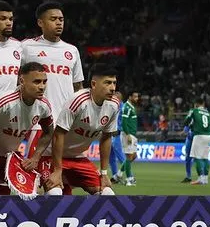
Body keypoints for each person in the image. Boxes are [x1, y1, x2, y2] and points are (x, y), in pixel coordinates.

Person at [0, 62, 53, 195]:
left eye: (44, 82)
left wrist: (35, 158)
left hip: (9, 158)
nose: (42, 87)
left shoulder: (43, 106)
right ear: (22, 81)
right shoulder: (4, 103)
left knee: (2, 199)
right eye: (37, 82)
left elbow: (49, 132)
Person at [21, 1, 85, 158]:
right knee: (32, 172)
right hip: (38, 122)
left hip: (66, 123)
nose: (58, 22)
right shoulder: (26, 47)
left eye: (61, 19)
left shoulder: (72, 50)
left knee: (63, 174)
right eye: (53, 19)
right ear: (40, 22)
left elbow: (78, 87)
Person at [47, 63, 121, 195]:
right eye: (108, 83)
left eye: (114, 83)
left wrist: (104, 173)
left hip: (77, 157)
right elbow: (58, 134)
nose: (113, 88)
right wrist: (57, 170)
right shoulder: (78, 101)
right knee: (55, 193)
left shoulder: (114, 105)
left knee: (107, 193)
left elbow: (106, 137)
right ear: (93, 84)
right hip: (52, 156)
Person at [184, 98, 210, 185]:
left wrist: (186, 125)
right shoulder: (209, 114)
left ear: (196, 104)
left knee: (196, 157)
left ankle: (200, 178)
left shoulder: (194, 111)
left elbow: (187, 119)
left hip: (198, 135)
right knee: (205, 158)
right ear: (204, 104)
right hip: (207, 136)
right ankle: (205, 178)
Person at [121, 91, 140, 186]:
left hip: (132, 134)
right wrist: (128, 134)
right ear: (130, 97)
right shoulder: (126, 107)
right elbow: (123, 121)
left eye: (137, 96)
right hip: (128, 134)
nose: (137, 98)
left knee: (134, 156)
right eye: (135, 97)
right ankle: (129, 180)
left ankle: (119, 174)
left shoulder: (131, 107)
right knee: (129, 157)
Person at [109, 91, 125, 183]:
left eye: (114, 98)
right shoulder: (114, 107)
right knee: (111, 158)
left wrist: (120, 129)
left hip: (118, 134)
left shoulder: (123, 109)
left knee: (121, 157)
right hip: (111, 134)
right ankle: (115, 176)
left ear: (119, 99)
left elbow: (125, 122)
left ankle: (130, 177)